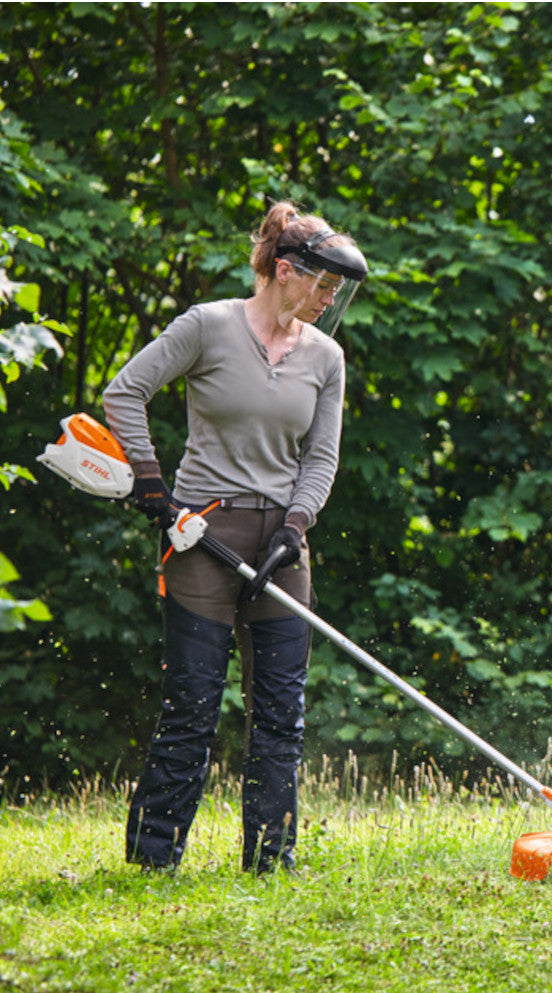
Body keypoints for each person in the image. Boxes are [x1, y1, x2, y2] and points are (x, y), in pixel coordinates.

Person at [103, 201, 367, 873]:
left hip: (282, 541)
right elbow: (124, 393)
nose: (330, 299)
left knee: (281, 713)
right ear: (285, 270)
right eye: (324, 285)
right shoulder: (209, 327)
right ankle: (153, 859)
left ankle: (270, 863)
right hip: (199, 533)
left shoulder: (326, 358)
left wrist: (297, 524)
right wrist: (153, 487)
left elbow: (321, 458)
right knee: (192, 703)